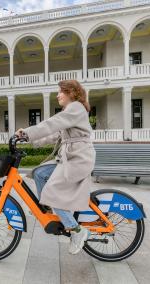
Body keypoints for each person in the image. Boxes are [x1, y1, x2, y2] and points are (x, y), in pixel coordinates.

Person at [16, 80, 95, 255]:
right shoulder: (71, 112)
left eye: (61, 92)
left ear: (72, 93)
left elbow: (52, 123)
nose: (58, 95)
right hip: (70, 158)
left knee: (52, 193)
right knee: (40, 173)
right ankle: (54, 210)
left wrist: (28, 132)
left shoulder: (76, 107)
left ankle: (76, 231)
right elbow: (54, 134)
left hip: (78, 160)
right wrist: (28, 139)